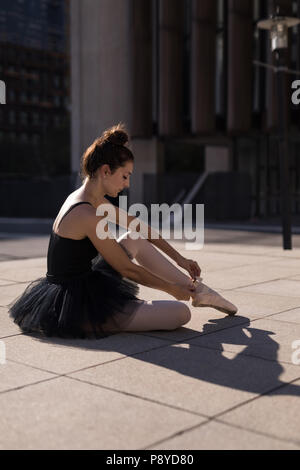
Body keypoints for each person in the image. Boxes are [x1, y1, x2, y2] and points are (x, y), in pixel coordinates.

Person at [9, 123, 237, 339]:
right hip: (74, 303)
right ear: (106, 171)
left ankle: (199, 291)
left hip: (86, 279)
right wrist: (172, 289)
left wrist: (180, 259)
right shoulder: (86, 213)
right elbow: (127, 269)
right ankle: (185, 293)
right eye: (125, 176)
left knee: (135, 238)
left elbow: (137, 226)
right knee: (180, 314)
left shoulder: (90, 198)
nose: (127, 184)